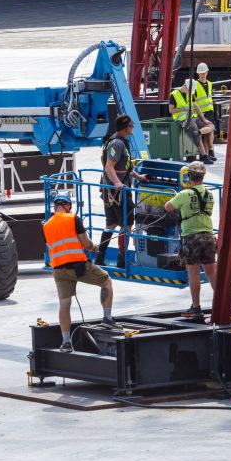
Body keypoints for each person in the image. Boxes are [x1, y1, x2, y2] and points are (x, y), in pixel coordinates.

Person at [43, 192, 119, 353]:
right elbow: (85, 242)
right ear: (68, 205)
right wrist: (94, 248)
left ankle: (65, 342)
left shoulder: (46, 225)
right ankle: (107, 318)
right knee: (106, 281)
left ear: (55, 206)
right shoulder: (73, 218)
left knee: (65, 302)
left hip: (58, 270)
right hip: (79, 267)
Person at [164, 160, 217, 320]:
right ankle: (221, 302)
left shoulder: (184, 194)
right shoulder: (210, 194)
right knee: (211, 272)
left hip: (191, 237)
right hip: (208, 236)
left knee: (193, 272)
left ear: (189, 177)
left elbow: (168, 207)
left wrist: (176, 199)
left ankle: (196, 307)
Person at [97, 114, 148, 269]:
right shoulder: (117, 144)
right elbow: (109, 167)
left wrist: (139, 176)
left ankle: (100, 257)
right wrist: (118, 183)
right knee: (127, 225)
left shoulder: (117, 141)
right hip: (118, 192)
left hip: (110, 190)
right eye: (131, 126)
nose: (133, 128)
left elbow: (124, 167)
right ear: (126, 128)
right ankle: (122, 260)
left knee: (111, 224)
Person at [170, 79, 215, 164]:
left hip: (193, 116)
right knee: (194, 132)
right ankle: (204, 156)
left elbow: (196, 106)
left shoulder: (190, 93)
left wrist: (204, 119)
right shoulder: (174, 95)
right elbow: (171, 110)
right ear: (185, 87)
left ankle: (199, 132)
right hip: (183, 118)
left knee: (211, 126)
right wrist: (183, 109)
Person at [193, 62, 217, 160]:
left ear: (207, 72)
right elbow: (194, 101)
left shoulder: (210, 84)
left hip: (210, 111)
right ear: (198, 73)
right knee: (209, 129)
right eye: (200, 73)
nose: (202, 74)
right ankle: (208, 153)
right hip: (200, 113)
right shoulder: (195, 84)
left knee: (209, 132)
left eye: (204, 72)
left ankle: (209, 153)